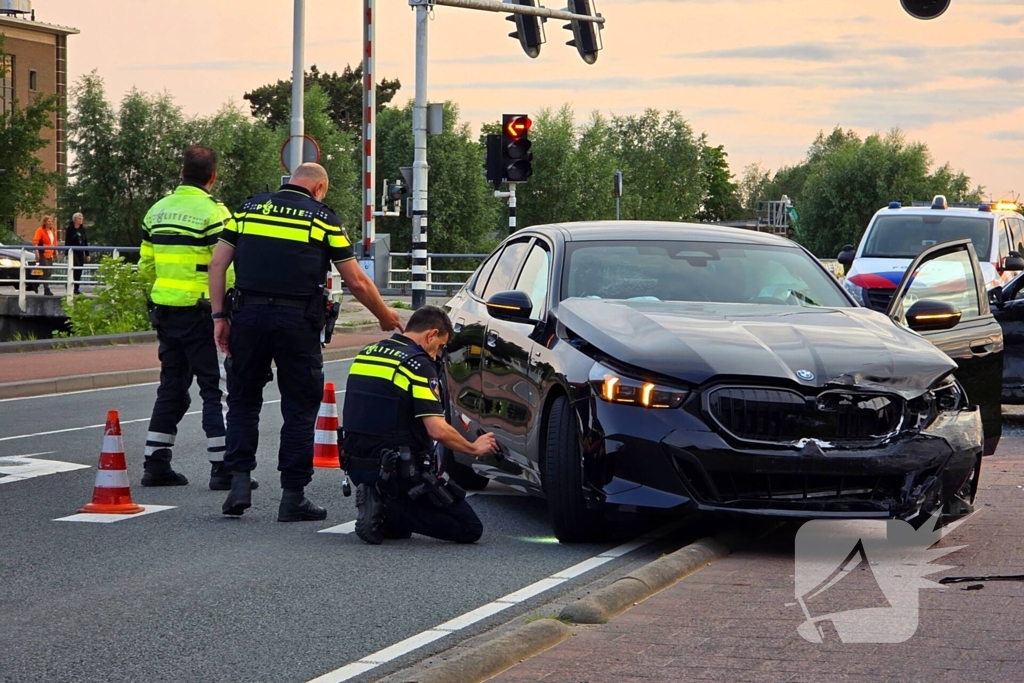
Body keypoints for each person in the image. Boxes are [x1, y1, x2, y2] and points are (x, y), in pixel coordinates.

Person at [208, 162, 403, 522]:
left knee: (242, 400)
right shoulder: (322, 218)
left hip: (247, 317)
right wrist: (383, 315)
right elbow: (357, 281)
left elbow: (217, 265)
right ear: (319, 189)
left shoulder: (248, 210)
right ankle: (292, 496)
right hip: (296, 322)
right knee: (299, 407)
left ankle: (239, 483)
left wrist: (220, 317)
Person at [342, 305, 499, 545]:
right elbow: (437, 429)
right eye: (441, 346)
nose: (437, 355)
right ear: (431, 335)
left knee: (400, 532)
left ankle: (381, 505)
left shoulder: (368, 352)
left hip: (358, 467)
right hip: (399, 471)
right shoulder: (418, 364)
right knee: (469, 527)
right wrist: (474, 447)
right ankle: (385, 508)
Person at [138, 146, 245, 491]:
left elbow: (146, 266)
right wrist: (226, 311)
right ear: (212, 177)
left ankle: (156, 463)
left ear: (182, 173)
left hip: (166, 310)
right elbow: (225, 267)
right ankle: (222, 467)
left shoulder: (157, 211)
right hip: (203, 313)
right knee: (216, 390)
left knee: (172, 385)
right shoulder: (216, 214)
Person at [32, 215, 57, 296]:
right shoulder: (40, 230)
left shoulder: (53, 231)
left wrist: (55, 252)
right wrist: (36, 253)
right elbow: (35, 242)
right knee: (46, 270)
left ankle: (36, 283)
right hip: (42, 253)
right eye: (48, 221)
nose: (50, 223)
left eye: (51, 221)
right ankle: (46, 289)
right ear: (45, 222)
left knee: (49, 272)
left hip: (50, 253)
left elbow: (54, 243)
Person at [65, 213, 88, 295]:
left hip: (80, 251)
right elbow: (67, 241)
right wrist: (66, 252)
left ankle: (76, 287)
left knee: (80, 269)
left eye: (82, 218)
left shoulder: (83, 229)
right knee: (75, 267)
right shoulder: (70, 229)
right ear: (74, 220)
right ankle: (69, 284)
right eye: (79, 218)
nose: (81, 220)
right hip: (72, 251)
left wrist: (87, 254)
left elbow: (85, 242)